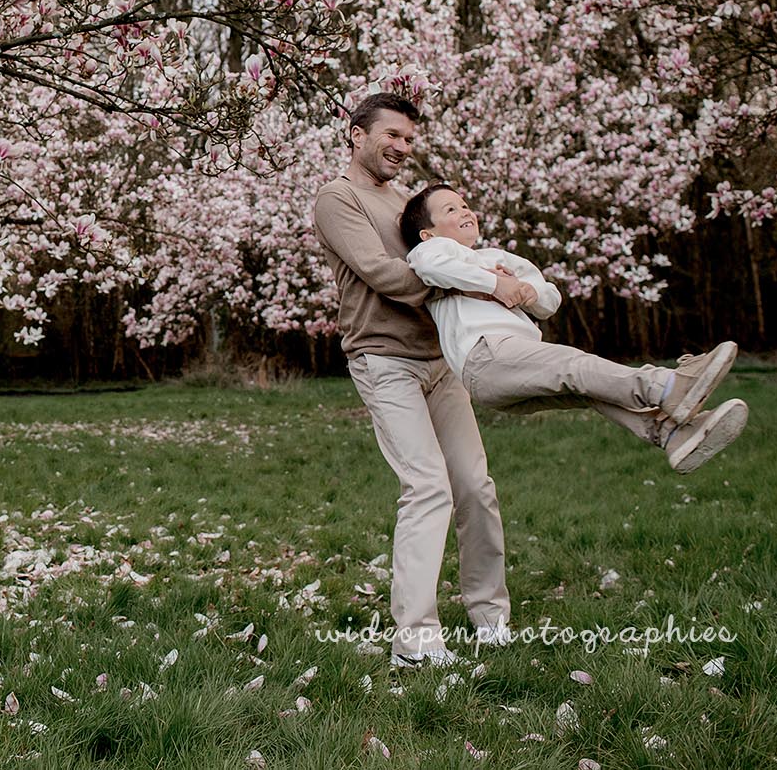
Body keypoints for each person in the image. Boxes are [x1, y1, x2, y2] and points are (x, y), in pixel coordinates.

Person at [312, 93, 522, 668]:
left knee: (475, 486)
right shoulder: (338, 197)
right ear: (357, 135)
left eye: (410, 139)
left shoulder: (409, 202)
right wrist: (476, 283)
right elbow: (382, 273)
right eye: (393, 136)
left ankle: (490, 617)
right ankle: (416, 641)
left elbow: (452, 258)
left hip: (439, 361)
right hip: (384, 361)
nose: (403, 148)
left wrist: (486, 274)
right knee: (428, 487)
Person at [399, 183, 748, 474]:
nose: (464, 212)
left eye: (464, 205)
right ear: (428, 233)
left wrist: (527, 291)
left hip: (507, 365)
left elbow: (549, 298)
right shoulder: (436, 251)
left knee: (587, 389)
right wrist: (494, 284)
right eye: (450, 210)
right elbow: (432, 265)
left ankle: (669, 433)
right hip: (487, 354)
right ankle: (666, 386)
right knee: (575, 365)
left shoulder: (498, 256)